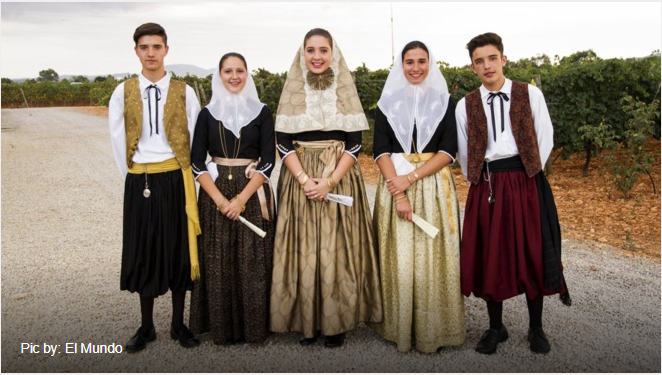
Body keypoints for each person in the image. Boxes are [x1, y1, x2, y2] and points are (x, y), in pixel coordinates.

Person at [456, 32, 571, 355]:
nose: (487, 65)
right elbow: (465, 153)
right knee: (492, 255)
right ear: (473, 67)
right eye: (479, 61)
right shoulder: (465, 105)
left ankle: (536, 327)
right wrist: (481, 179)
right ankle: (496, 328)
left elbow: (544, 137)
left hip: (525, 179)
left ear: (503, 59)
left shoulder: (529, 94)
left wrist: (529, 172)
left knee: (532, 251)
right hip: (488, 183)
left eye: (492, 58)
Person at [269, 28, 383, 349]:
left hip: (339, 175)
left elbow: (355, 142)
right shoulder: (292, 87)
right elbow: (282, 141)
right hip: (300, 178)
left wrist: (329, 181)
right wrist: (306, 180)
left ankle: (335, 322)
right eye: (311, 50)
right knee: (303, 249)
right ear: (302, 54)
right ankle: (309, 321)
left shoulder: (345, 88)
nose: (317, 56)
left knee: (336, 250)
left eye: (323, 50)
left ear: (333, 53)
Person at [108, 22, 202, 352]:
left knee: (177, 248)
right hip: (139, 180)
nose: (151, 53)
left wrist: (188, 177)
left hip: (176, 177)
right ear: (136, 50)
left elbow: (195, 136)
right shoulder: (122, 92)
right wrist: (134, 177)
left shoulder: (185, 91)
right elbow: (118, 139)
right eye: (144, 47)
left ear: (166, 49)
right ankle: (146, 326)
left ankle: (178, 325)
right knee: (144, 249)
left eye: (156, 47)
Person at [370, 41, 466, 353]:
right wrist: (398, 190)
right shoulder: (388, 103)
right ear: (401, 66)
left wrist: (410, 177)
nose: (415, 68)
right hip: (394, 185)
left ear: (430, 64)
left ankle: (433, 329)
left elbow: (448, 150)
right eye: (409, 62)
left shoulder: (444, 102)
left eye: (421, 61)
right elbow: (381, 149)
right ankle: (398, 327)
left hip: (432, 185)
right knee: (400, 258)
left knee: (433, 258)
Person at [188, 53, 276, 345]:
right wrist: (220, 200)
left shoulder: (262, 111)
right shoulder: (207, 113)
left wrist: (240, 199)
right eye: (228, 71)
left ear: (247, 74)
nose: (234, 76)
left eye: (240, 70)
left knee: (252, 261)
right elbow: (196, 162)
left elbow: (267, 161)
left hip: (250, 190)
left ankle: (253, 328)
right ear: (219, 75)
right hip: (215, 194)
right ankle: (222, 329)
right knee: (218, 259)